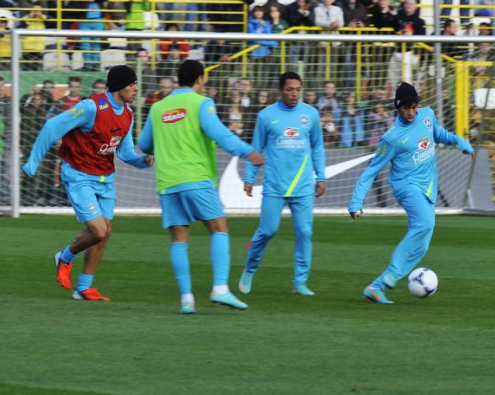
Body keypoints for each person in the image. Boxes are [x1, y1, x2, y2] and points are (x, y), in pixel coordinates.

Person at [138, 60, 260, 314]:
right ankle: (220, 289)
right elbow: (220, 133)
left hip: (168, 181)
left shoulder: (158, 107)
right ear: (200, 80)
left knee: (179, 237)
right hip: (195, 176)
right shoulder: (201, 103)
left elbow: (145, 144)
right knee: (218, 227)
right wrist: (247, 151)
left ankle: (186, 298)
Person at [22, 66, 153, 301]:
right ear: (119, 85)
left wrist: (142, 161)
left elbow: (125, 152)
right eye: (132, 84)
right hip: (79, 175)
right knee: (98, 230)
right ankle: (64, 258)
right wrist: (33, 163)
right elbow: (53, 126)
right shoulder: (91, 107)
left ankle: (84, 288)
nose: (136, 88)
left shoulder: (128, 114)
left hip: (106, 178)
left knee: (105, 232)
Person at [348, 82, 474, 304]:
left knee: (423, 243)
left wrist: (458, 141)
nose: (411, 112)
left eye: (414, 107)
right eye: (407, 107)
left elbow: (439, 134)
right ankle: (389, 276)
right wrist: (356, 201)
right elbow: (371, 171)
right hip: (405, 186)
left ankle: (377, 287)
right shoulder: (392, 137)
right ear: (398, 107)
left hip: (427, 186)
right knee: (424, 224)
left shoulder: (426, 115)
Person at [238, 72, 326, 296]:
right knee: (267, 230)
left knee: (305, 232)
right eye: (289, 89)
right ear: (281, 90)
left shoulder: (311, 115)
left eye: (298, 89)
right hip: (275, 186)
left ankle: (300, 282)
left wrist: (321, 176)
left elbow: (317, 147)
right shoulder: (266, 116)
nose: (294, 93)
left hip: (303, 186)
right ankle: (249, 269)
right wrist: (249, 177)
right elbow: (256, 149)